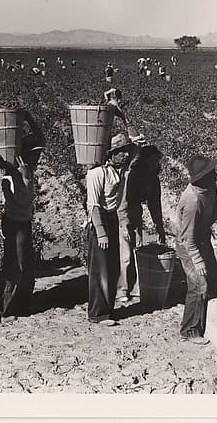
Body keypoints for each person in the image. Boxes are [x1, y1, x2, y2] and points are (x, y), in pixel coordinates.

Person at [0, 110, 46, 323]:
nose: (38, 157)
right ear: (25, 155)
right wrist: (25, 176)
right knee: (16, 266)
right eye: (34, 154)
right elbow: (22, 200)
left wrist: (29, 118)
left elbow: (41, 139)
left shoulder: (23, 171)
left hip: (24, 224)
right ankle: (5, 310)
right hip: (16, 225)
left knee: (27, 266)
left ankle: (22, 303)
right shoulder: (12, 177)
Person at [175, 155, 217, 345]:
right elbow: (187, 238)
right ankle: (189, 330)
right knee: (199, 285)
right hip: (188, 247)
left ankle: (207, 324)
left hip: (202, 239)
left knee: (213, 280)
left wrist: (215, 221)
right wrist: (197, 261)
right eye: (211, 173)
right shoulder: (192, 200)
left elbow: (216, 204)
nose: (215, 175)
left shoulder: (210, 188)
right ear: (201, 177)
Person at [85, 133, 134, 325]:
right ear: (110, 154)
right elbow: (93, 205)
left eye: (126, 152)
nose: (125, 155)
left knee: (112, 268)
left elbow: (137, 147)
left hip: (111, 218)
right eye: (120, 152)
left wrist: (118, 112)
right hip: (100, 222)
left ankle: (107, 309)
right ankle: (98, 314)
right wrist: (101, 233)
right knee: (100, 269)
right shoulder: (97, 173)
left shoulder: (119, 171)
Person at [116, 144, 167, 302]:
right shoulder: (132, 176)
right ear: (144, 161)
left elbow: (154, 205)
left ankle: (137, 287)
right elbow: (122, 202)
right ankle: (121, 290)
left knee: (137, 250)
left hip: (136, 214)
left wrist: (160, 228)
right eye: (151, 161)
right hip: (122, 214)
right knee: (124, 254)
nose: (154, 164)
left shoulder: (153, 180)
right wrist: (124, 224)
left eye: (156, 161)